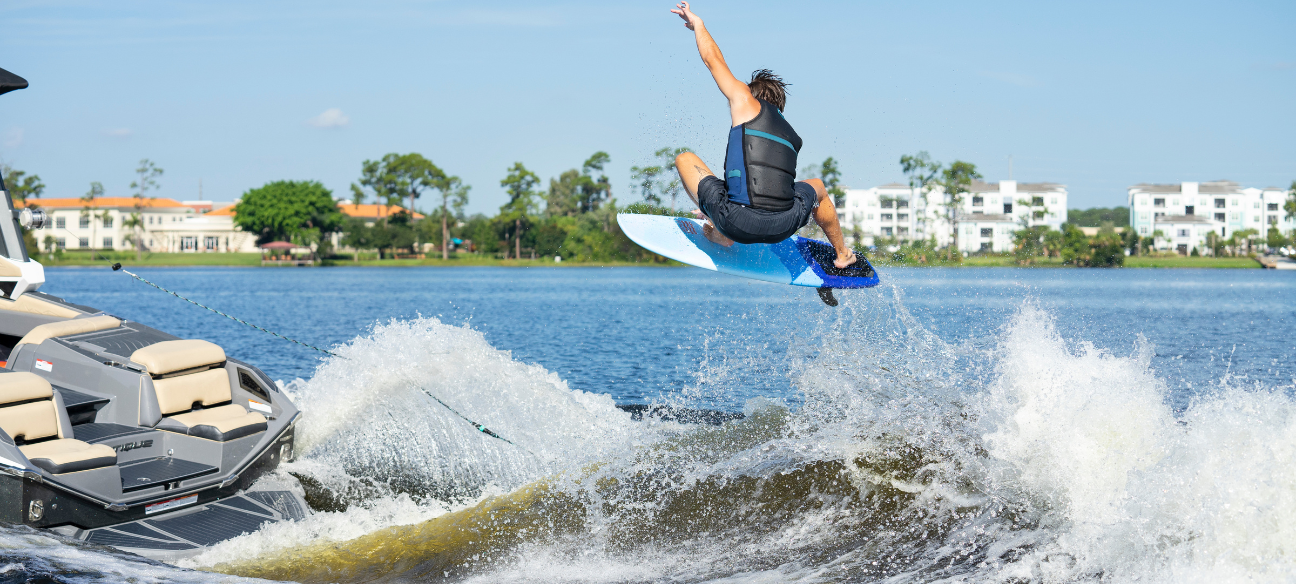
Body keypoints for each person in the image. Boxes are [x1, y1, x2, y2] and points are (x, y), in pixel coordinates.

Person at [668, 2, 857, 269]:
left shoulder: (745, 100)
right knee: (817, 187)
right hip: (784, 225)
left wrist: (698, 25)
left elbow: (714, 61)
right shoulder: (792, 135)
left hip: (737, 221)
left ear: (751, 95)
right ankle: (842, 254)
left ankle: (718, 232)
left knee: (685, 158)